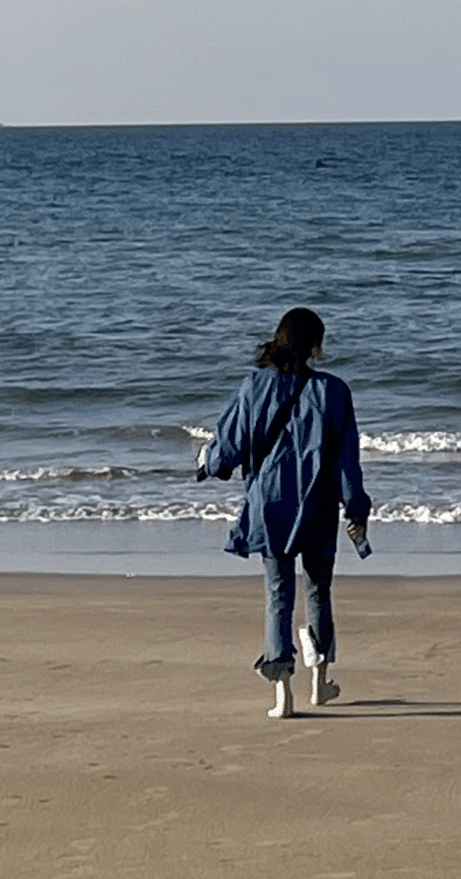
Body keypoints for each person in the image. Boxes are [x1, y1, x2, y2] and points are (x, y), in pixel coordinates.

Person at [196, 308, 371, 719]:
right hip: (318, 504)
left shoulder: (254, 385)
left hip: (270, 503)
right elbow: (347, 461)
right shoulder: (334, 391)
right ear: (314, 346)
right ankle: (320, 684)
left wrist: (209, 464)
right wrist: (356, 507)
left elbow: (230, 444)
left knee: (278, 595)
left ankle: (283, 696)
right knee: (318, 592)